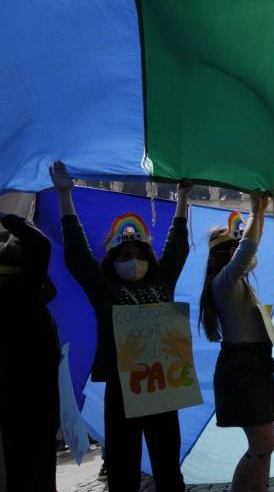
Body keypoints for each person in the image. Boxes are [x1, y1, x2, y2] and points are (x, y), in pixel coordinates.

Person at [50, 161, 191, 491]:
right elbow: (78, 257)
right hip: (122, 394)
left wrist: (183, 198)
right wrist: (65, 197)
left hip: (163, 392)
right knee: (124, 474)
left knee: (169, 472)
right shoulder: (106, 290)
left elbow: (177, 246)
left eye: (138, 252)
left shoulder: (162, 282)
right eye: (124, 254)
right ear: (112, 260)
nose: (133, 258)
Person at [199, 194, 274, 492]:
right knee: (262, 445)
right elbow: (247, 250)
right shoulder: (223, 282)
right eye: (234, 249)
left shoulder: (238, 283)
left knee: (265, 447)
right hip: (242, 368)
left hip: (256, 365)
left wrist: (258, 214)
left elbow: (245, 251)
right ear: (226, 255)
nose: (242, 254)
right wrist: (257, 211)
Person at [0, 211, 59, 491]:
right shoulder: (21, 293)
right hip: (27, 394)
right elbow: (40, 244)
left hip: (27, 394)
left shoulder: (25, 293)